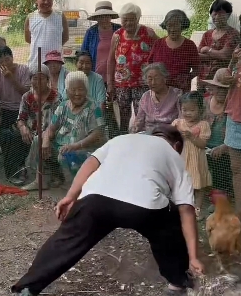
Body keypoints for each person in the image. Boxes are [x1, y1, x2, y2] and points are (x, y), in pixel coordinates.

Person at [11, 125, 204, 296]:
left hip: (95, 199)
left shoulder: (122, 139)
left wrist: (71, 196)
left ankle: (27, 288)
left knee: (65, 241)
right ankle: (177, 283)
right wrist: (193, 257)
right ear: (177, 146)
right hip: (144, 208)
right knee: (170, 224)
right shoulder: (173, 155)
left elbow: (90, 163)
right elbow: (186, 209)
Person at [47, 71, 107, 186]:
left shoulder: (94, 108)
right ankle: (45, 179)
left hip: (86, 149)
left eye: (81, 89)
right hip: (63, 144)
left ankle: (74, 187)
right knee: (38, 141)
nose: (77, 93)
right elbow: (52, 126)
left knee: (65, 155)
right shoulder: (63, 106)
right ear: (67, 91)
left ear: (86, 90)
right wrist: (45, 139)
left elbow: (98, 133)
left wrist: (76, 145)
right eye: (73, 90)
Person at [107, 3, 158, 134]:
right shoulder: (117, 35)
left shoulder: (148, 33)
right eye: (125, 19)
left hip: (142, 83)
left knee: (142, 115)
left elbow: (160, 50)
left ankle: (141, 140)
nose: (128, 23)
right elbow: (111, 60)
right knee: (123, 117)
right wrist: (110, 84)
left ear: (138, 19)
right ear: (121, 20)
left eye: (132, 19)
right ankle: (123, 138)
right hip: (121, 84)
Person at [17, 64, 62, 191]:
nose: (37, 82)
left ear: (48, 80)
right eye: (34, 78)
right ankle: (24, 170)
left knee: (39, 140)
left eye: (42, 78)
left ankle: (37, 179)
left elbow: (57, 124)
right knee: (15, 136)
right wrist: (23, 128)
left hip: (51, 135)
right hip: (31, 133)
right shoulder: (27, 97)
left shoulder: (56, 98)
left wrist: (45, 136)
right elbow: (21, 117)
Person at [0, 46, 31, 184]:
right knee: (6, 136)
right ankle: (13, 169)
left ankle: (20, 166)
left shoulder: (24, 70)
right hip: (4, 111)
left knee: (18, 137)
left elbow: (26, 94)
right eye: (1, 61)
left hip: (22, 110)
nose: (5, 63)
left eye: (7, 58)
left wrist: (11, 78)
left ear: (12, 57)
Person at [221, 8, 241, 221]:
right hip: (237, 116)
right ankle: (240, 214)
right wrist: (227, 73)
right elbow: (227, 75)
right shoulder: (239, 50)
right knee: (237, 169)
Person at [172, 92, 211, 220]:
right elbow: (169, 136)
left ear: (200, 109)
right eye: (184, 109)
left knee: (198, 187)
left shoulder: (203, 125)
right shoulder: (177, 123)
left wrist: (192, 137)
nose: (187, 113)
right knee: (182, 185)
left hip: (196, 161)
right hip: (181, 159)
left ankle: (197, 210)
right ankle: (181, 208)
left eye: (192, 110)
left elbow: (202, 144)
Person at [148, 10, 200, 93]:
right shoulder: (158, 43)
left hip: (181, 92)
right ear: (165, 26)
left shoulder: (189, 45)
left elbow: (197, 69)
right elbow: (149, 66)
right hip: (160, 91)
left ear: (182, 25)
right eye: (169, 25)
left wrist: (186, 78)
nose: (172, 29)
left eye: (176, 25)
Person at [202, 69, 232, 196]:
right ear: (212, 88)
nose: (221, 91)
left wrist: (224, 147)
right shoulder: (205, 102)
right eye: (218, 88)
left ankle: (219, 199)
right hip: (203, 145)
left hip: (226, 148)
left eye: (225, 89)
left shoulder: (235, 105)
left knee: (220, 162)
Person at [198, 0, 240, 85]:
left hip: (222, 81)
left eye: (220, 14)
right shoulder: (207, 34)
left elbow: (225, 55)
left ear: (228, 15)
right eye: (214, 14)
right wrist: (217, 55)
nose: (216, 17)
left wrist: (207, 50)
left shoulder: (233, 34)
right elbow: (198, 55)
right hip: (203, 79)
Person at [25, 0, 69, 67]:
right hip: (35, 63)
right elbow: (28, 39)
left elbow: (65, 37)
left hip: (55, 64)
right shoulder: (31, 17)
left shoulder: (60, 16)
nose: (46, 2)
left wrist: (55, 45)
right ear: (36, 0)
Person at [133, 63, 182, 133]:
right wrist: (135, 127)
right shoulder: (145, 96)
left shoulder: (177, 95)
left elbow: (182, 120)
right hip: (148, 134)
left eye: (157, 78)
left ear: (164, 79)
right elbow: (139, 120)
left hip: (169, 134)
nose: (153, 82)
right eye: (150, 79)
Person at [82, 1, 121, 84]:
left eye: (106, 16)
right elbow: (84, 53)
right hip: (96, 75)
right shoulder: (91, 32)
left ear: (110, 17)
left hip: (118, 74)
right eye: (101, 17)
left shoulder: (119, 30)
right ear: (96, 18)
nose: (104, 19)